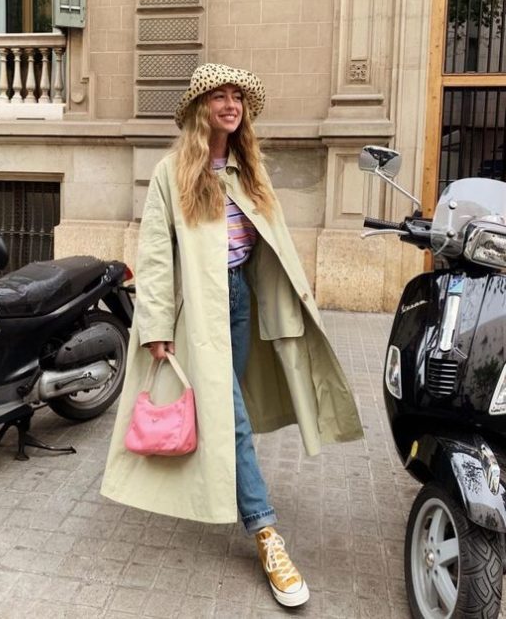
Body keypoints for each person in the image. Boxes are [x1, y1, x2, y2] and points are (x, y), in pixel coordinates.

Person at [101, 63, 363, 608]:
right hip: (197, 309)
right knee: (231, 413)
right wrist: (153, 326)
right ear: (201, 109)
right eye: (218, 96)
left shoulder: (248, 169)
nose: (230, 104)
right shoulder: (172, 173)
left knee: (228, 407)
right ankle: (266, 533)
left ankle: (229, 488)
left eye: (237, 96)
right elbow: (153, 255)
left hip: (241, 297)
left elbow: (273, 241)